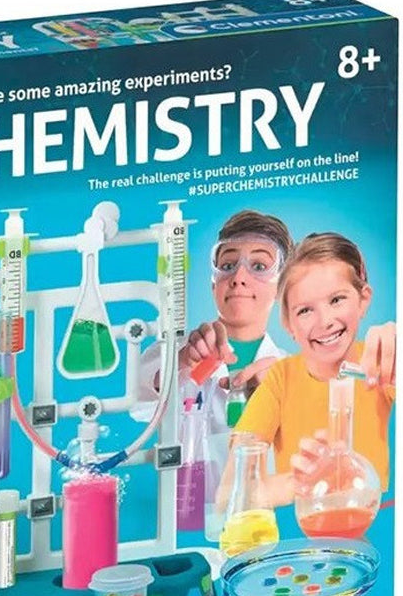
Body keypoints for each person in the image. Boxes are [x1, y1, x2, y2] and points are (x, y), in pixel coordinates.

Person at [233, 232, 395, 506]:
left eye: (337, 300)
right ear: (288, 324)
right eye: (305, 311)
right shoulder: (280, 380)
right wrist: (298, 482)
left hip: (376, 519)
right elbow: (231, 490)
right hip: (308, 522)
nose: (325, 321)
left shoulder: (382, 362)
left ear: (363, 299)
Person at [137, 209, 293, 436]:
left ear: (281, 288)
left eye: (259, 266)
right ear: (214, 285)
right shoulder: (176, 352)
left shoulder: (289, 370)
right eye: (228, 266)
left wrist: (280, 398)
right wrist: (181, 361)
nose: (238, 278)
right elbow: (138, 406)